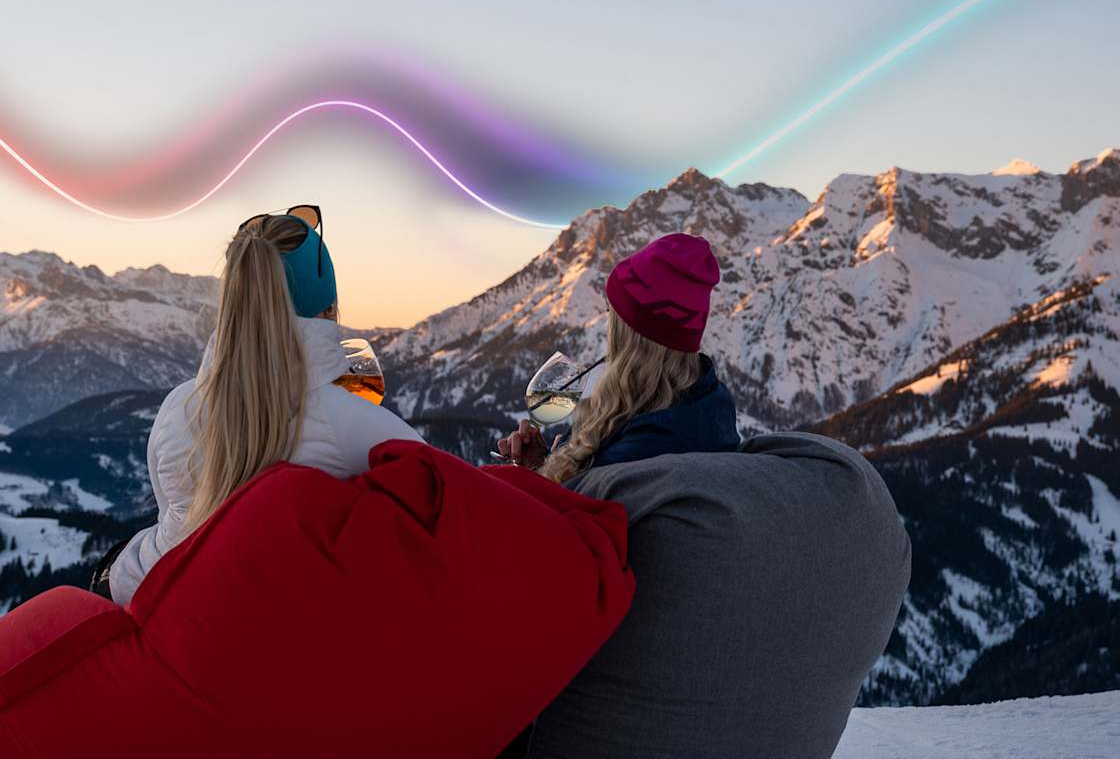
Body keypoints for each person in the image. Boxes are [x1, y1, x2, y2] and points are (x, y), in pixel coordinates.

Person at [498, 231, 911, 759]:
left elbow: (555, 580)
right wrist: (542, 471)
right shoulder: (704, 412)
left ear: (626, 342)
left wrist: (531, 489)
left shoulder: (636, 465)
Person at [105, 207, 423, 606]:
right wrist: (525, 468)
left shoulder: (177, 408)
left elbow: (174, 527)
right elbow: (453, 515)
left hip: (168, 609)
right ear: (328, 310)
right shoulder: (360, 428)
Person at [498, 232, 740, 478]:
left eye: (612, 313)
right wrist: (542, 461)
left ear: (631, 336)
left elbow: (564, 510)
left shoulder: (641, 450)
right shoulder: (703, 401)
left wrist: (539, 474)